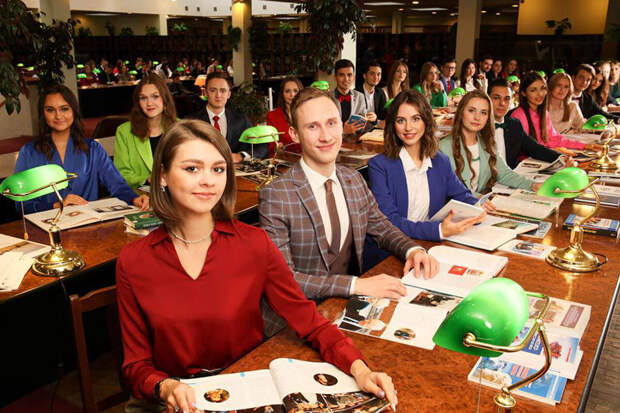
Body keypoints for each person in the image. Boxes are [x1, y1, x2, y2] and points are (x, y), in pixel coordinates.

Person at [116, 119, 398, 413]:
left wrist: (360, 368)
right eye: (191, 169)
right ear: (163, 175)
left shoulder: (254, 244)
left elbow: (309, 321)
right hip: (172, 399)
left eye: (218, 169)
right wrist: (165, 387)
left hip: (245, 390)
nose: (208, 181)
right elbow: (135, 365)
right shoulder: (134, 261)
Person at [259, 87, 439, 336]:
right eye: (312, 127)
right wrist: (357, 285)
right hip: (292, 324)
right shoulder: (276, 195)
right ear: (294, 134)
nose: (326, 136)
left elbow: (382, 227)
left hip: (343, 311)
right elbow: (285, 279)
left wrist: (413, 250)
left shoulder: (353, 179)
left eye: (332, 123)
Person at [365, 90, 489, 269]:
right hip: (389, 252)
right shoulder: (379, 165)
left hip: (429, 245)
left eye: (416, 119)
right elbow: (389, 222)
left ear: (426, 121)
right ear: (393, 125)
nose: (408, 128)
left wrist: (476, 209)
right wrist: (438, 230)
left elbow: (462, 195)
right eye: (401, 120)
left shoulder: (440, 161)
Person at [14, 85, 148, 213]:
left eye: (64, 109)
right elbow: (22, 204)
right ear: (43, 114)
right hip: (48, 223)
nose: (58, 115)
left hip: (88, 222)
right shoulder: (29, 152)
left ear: (73, 110)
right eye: (50, 110)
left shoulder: (93, 149)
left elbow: (117, 185)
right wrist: (57, 205)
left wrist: (134, 198)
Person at [439, 90, 540, 196]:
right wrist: (477, 198)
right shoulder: (443, 148)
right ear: (461, 112)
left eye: (483, 113)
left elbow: (504, 174)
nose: (477, 117)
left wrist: (532, 185)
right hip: (461, 204)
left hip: (480, 203)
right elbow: (448, 188)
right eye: (471, 110)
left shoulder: (487, 143)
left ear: (488, 118)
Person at [114, 74, 178, 190]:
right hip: (143, 195)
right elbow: (121, 174)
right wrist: (147, 179)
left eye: (155, 96)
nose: (149, 103)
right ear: (138, 102)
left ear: (165, 99)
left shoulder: (180, 127)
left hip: (177, 193)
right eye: (143, 98)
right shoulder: (124, 132)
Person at [511, 71, 599, 154]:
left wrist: (585, 146)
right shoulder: (518, 115)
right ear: (523, 93)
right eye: (533, 90)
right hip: (528, 160)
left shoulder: (543, 112)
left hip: (542, 156)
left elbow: (554, 138)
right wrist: (554, 155)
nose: (540, 94)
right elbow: (527, 148)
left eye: (542, 88)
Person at [190, 72, 267, 161]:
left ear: (229, 94)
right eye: (213, 90)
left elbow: (262, 147)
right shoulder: (192, 122)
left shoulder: (241, 120)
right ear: (206, 93)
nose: (218, 95)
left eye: (223, 91)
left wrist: (241, 156)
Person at [489, 78, 561, 169]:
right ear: (487, 98)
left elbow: (535, 149)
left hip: (511, 175)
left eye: (507, 99)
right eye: (496, 98)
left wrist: (561, 158)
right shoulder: (479, 126)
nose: (502, 103)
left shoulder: (514, 125)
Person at [332, 59, 373, 135]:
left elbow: (363, 127)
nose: (346, 79)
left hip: (354, 140)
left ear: (353, 77)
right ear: (335, 77)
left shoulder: (360, 96)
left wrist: (372, 120)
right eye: (341, 75)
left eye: (349, 75)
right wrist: (343, 131)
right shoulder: (326, 98)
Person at [265, 75, 303, 155]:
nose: (292, 95)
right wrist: (276, 148)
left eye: (295, 91)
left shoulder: (309, 113)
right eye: (287, 91)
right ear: (282, 94)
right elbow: (271, 146)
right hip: (284, 159)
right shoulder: (272, 116)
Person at [357, 60, 387, 128]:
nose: (376, 77)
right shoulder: (356, 93)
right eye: (372, 74)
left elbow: (383, 116)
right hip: (360, 129)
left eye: (378, 74)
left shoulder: (380, 93)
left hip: (376, 130)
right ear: (365, 76)